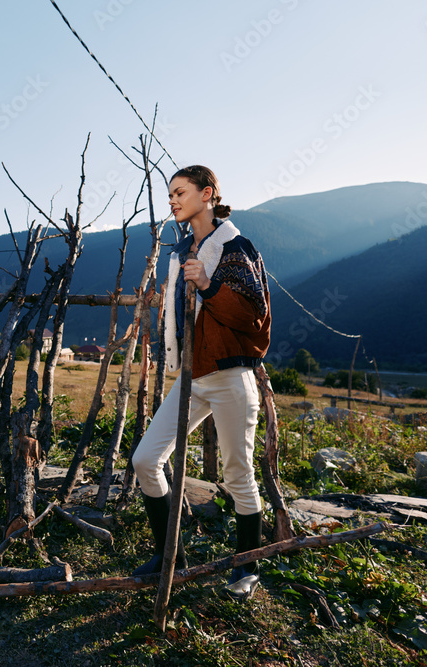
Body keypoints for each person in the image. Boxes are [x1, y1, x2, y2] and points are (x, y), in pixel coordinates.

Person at [130, 165, 271, 601]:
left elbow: (254, 315)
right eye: (169, 193)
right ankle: (169, 555)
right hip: (191, 376)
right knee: (145, 460)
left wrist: (208, 286)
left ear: (207, 194)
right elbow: (183, 310)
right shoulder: (180, 251)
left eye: (180, 192)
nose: (172, 200)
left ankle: (247, 568)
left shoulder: (234, 247)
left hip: (230, 376)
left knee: (238, 474)